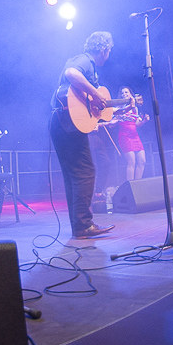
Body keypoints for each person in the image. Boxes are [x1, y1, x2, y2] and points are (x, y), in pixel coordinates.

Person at [50, 31, 115, 239]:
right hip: (66, 123)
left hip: (63, 123)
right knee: (85, 172)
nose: (109, 54)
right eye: (109, 51)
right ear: (104, 50)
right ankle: (83, 225)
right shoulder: (85, 61)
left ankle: (80, 225)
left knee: (74, 176)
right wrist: (96, 94)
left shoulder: (89, 67)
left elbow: (98, 109)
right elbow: (71, 74)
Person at [116, 86, 150, 182]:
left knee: (142, 161)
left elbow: (136, 124)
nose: (124, 94)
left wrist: (144, 121)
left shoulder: (135, 108)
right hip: (124, 136)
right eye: (122, 93)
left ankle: (138, 185)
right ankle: (130, 187)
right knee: (131, 162)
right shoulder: (119, 108)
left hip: (135, 136)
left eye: (126, 92)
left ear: (130, 94)